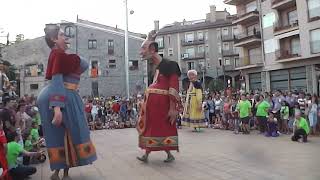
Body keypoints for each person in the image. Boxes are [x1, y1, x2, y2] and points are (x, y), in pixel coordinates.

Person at [37, 24, 97, 180]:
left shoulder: (57, 55)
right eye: (62, 35)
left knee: (57, 136)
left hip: (55, 96)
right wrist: (57, 108)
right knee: (70, 134)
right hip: (61, 98)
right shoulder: (59, 55)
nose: (66, 37)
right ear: (54, 39)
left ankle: (59, 172)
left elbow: (58, 77)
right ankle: (63, 173)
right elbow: (57, 80)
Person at [137, 30, 181, 163]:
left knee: (161, 128)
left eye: (143, 48)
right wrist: (149, 38)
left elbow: (173, 87)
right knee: (152, 129)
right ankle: (147, 153)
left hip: (163, 106)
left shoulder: (170, 65)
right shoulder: (156, 69)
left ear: (152, 50)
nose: (141, 52)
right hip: (153, 107)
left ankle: (165, 154)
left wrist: (173, 108)